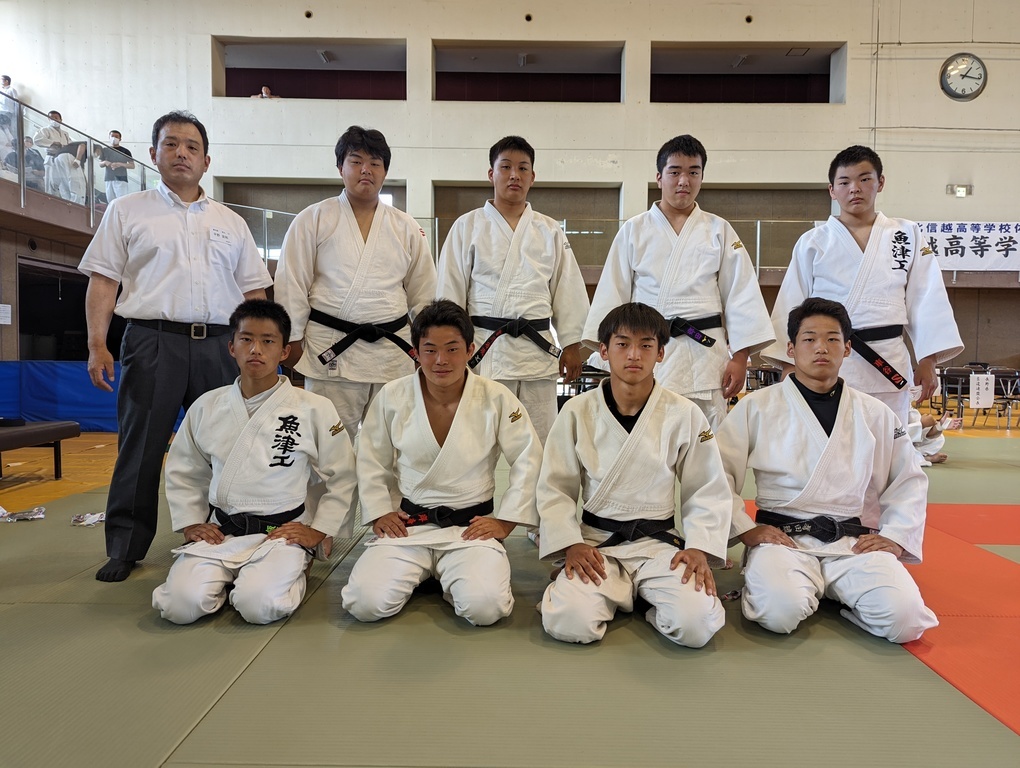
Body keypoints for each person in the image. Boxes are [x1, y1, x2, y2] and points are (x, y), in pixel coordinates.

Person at [79, 110, 272, 583]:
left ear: (207, 160)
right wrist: (97, 344)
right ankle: (125, 546)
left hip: (220, 346)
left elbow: (254, 292)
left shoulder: (231, 222)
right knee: (140, 447)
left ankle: (225, 536)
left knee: (226, 446)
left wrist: (259, 349)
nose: (181, 153)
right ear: (153, 154)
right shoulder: (127, 211)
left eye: (191, 146)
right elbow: (104, 281)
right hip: (152, 341)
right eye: (171, 144)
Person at [716, 297, 938, 643]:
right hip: (782, 539)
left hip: (852, 542)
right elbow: (718, 474)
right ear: (791, 349)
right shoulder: (756, 407)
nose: (821, 347)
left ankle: (833, 592)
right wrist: (746, 530)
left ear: (847, 348)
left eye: (833, 339)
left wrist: (896, 536)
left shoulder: (875, 413)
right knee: (778, 613)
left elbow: (906, 480)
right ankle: (799, 587)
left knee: (906, 621)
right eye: (809, 339)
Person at [538, 302, 732, 646]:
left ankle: (636, 598)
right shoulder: (576, 411)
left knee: (696, 625)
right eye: (622, 344)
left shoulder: (684, 413)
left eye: (646, 345)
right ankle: (621, 592)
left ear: (661, 353)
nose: (634, 355)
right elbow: (556, 486)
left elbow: (706, 488)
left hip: (659, 544)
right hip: (596, 543)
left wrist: (700, 547)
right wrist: (570, 543)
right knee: (569, 622)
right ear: (603, 351)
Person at [152, 300, 357, 624]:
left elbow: (342, 474)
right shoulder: (206, 406)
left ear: (284, 351)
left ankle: (295, 564)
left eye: (268, 341)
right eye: (246, 339)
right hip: (222, 531)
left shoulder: (315, 407)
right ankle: (229, 578)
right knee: (179, 606)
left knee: (259, 607)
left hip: (282, 534)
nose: (256, 350)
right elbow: (185, 470)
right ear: (231, 347)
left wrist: (318, 530)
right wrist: (191, 522)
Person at [341, 299, 542, 626]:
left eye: (452, 349)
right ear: (416, 352)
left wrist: (506, 521)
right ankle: (436, 574)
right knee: (364, 603)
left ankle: (448, 577)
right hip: (410, 524)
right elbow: (370, 459)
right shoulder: (393, 396)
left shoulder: (496, 397)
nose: (441, 360)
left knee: (485, 608)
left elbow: (528, 457)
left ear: (470, 350)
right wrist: (379, 510)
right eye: (430, 350)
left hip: (470, 528)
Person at [761, 145, 964, 430]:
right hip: (828, 359)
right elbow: (791, 305)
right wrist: (789, 364)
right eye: (844, 182)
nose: (854, 188)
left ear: (880, 182)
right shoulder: (813, 241)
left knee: (890, 442)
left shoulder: (906, 234)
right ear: (832, 190)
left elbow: (926, 298)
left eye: (864, 179)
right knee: (830, 440)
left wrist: (928, 359)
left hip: (888, 360)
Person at [583, 135, 773, 430]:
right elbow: (612, 293)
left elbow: (741, 294)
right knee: (646, 439)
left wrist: (740, 356)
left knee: (707, 442)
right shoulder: (634, 230)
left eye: (693, 172)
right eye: (675, 172)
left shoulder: (719, 230)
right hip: (648, 352)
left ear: (701, 177)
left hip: (705, 357)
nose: (684, 181)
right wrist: (612, 354)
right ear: (659, 177)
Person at [274, 125, 436, 442]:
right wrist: (291, 339)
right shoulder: (312, 219)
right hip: (331, 350)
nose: (366, 170)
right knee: (327, 446)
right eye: (356, 161)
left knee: (390, 447)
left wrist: (428, 344)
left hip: (392, 353)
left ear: (385, 171)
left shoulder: (406, 226)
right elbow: (292, 283)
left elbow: (424, 292)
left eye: (375, 163)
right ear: (340, 167)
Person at [436, 135, 590, 444]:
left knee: (540, 444)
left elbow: (568, 290)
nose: (514, 175)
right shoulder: (466, 227)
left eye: (522, 168)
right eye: (505, 167)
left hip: (537, 354)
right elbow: (449, 295)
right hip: (485, 353)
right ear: (491, 174)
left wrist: (573, 345)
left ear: (533, 177)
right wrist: (449, 347)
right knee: (478, 445)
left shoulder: (550, 230)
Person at [97, 130, 135, 202]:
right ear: (109, 137)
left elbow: (132, 165)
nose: (114, 138)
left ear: (120, 139)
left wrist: (120, 164)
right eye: (112, 136)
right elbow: (100, 164)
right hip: (108, 178)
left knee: (122, 200)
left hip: (121, 178)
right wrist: (105, 162)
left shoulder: (125, 151)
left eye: (116, 137)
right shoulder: (105, 150)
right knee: (110, 201)